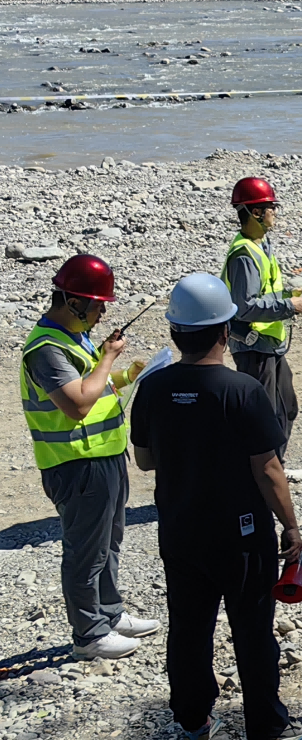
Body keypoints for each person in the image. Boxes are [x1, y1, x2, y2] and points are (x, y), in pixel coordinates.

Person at [131, 273, 302, 740]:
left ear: (175, 333)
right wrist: (292, 528)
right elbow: (269, 469)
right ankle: (265, 731)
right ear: (224, 331)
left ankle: (193, 729)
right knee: (252, 630)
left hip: (180, 531)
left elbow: (145, 460)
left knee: (189, 631)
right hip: (241, 534)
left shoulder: (152, 388)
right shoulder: (243, 390)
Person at [19, 254, 160, 659]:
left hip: (104, 457)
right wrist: (109, 358)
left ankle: (109, 613)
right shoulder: (45, 349)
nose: (101, 313)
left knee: (108, 542)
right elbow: (77, 404)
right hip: (75, 465)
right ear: (74, 301)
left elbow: (92, 385)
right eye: (98, 305)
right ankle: (89, 634)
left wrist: (123, 377)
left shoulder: (72, 337)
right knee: (86, 550)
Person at [223, 178, 302, 459]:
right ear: (255, 212)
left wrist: (287, 294)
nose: (275, 212)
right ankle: (259, 480)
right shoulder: (244, 256)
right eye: (270, 207)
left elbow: (263, 291)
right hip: (253, 347)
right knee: (262, 419)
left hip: (269, 343)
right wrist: (287, 306)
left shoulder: (261, 245)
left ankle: (274, 470)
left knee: (286, 408)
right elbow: (245, 307)